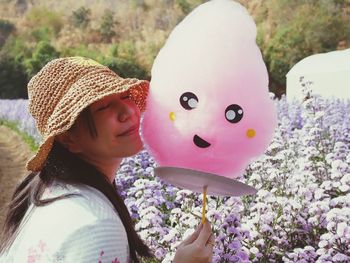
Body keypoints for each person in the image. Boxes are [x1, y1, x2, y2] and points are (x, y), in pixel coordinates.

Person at [0, 57, 214, 263]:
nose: (127, 112)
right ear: (68, 138)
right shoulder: (95, 225)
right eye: (103, 107)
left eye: (125, 96)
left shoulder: (47, 192)